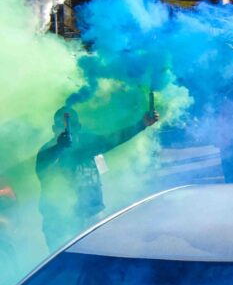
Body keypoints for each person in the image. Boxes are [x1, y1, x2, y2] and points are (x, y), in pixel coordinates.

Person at [35, 104, 158, 248]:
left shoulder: (88, 142)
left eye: (71, 126)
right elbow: (43, 170)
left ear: (79, 127)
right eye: (61, 127)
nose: (66, 130)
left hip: (92, 216)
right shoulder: (47, 150)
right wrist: (59, 147)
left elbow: (114, 139)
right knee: (65, 267)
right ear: (53, 129)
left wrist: (142, 124)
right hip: (61, 221)